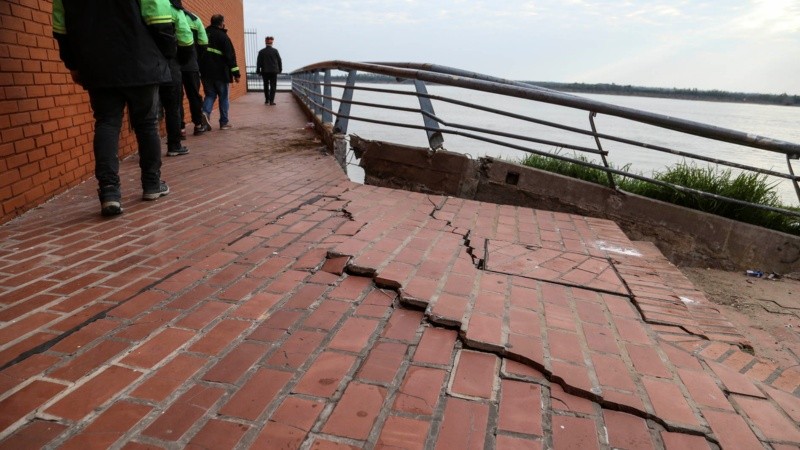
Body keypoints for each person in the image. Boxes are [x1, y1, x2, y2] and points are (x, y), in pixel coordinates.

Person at [53, 0, 174, 217]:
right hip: (141, 59)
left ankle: (109, 192)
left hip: (98, 65)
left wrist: (73, 64)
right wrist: (167, 52)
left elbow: (61, 29)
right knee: (146, 124)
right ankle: (152, 184)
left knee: (107, 123)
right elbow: (159, 17)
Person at [159, 0, 194, 157]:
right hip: (170, 65)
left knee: (148, 112)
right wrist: (180, 60)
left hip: (146, 64)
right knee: (173, 107)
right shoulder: (174, 10)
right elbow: (186, 39)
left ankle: (147, 148)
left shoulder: (141, 6)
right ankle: (174, 145)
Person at [199, 14, 240, 130]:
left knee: (210, 95)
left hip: (205, 72)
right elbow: (230, 57)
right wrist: (236, 74)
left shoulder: (203, 33)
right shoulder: (223, 37)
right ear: (222, 23)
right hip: (221, 73)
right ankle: (224, 122)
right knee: (223, 97)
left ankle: (205, 113)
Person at [176, 4, 209, 136]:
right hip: (191, 64)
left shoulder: (168, 14)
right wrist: (195, 58)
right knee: (194, 95)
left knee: (176, 97)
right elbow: (203, 43)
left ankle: (180, 128)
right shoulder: (194, 19)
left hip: (172, 63)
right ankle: (198, 124)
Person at [256, 36, 282, 105]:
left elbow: (258, 62)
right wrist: (280, 69)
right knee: (273, 86)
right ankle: (271, 101)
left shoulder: (261, 52)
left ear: (265, 42)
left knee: (265, 85)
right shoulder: (275, 51)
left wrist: (258, 71)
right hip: (274, 71)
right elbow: (279, 61)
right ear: (272, 43)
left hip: (265, 71)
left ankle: (267, 99)